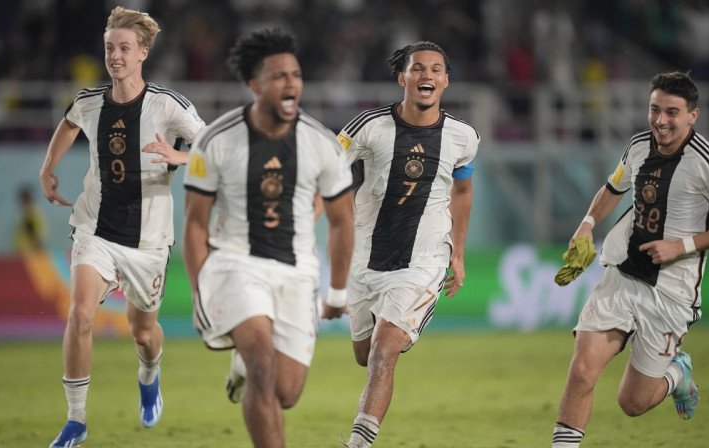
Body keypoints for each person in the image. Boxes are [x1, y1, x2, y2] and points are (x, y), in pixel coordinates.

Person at [39, 6, 206, 447]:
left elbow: (214, 145)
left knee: (143, 332)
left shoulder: (168, 105)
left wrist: (181, 157)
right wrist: (48, 168)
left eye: (124, 48)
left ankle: (149, 377)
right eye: (110, 47)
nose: (115, 55)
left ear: (142, 54)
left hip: (148, 242)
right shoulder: (89, 101)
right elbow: (69, 123)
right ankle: (76, 421)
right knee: (80, 313)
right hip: (94, 228)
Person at [182, 27, 354, 448]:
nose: (291, 82)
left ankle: (242, 363)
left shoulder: (322, 144)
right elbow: (195, 224)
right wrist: (200, 289)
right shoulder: (216, 140)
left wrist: (336, 292)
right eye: (279, 76)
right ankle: (250, 359)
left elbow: (341, 221)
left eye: (295, 74)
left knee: (286, 392)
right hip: (235, 263)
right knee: (263, 365)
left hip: (296, 269)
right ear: (255, 85)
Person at [551, 71, 709, 447]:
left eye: (672, 112)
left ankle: (677, 374)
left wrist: (682, 246)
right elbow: (613, 187)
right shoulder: (638, 145)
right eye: (655, 110)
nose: (660, 120)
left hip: (671, 292)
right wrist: (587, 223)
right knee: (583, 369)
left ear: (693, 116)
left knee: (632, 403)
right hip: (623, 275)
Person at [335, 41, 480, 447]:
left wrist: (459, 254)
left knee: (383, 349)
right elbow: (328, 175)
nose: (427, 76)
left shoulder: (463, 137)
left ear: (446, 81)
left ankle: (358, 444)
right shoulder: (367, 127)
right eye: (418, 68)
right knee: (366, 356)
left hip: (424, 259)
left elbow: (463, 193)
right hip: (366, 258)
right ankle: (394, 331)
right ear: (403, 77)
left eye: (436, 69)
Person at [14, 184, 47, 252]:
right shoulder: (32, 214)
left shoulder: (30, 216)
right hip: (27, 253)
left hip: (28, 254)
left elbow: (37, 237)